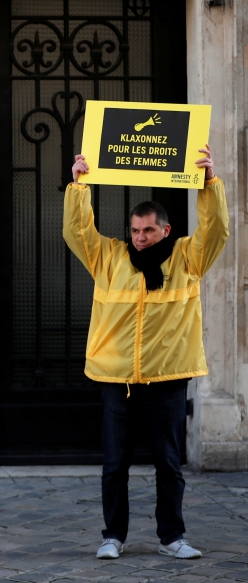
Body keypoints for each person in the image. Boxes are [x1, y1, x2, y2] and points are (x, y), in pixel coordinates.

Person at [64, 145, 228, 561]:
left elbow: (216, 231)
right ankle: (112, 537)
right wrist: (79, 185)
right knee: (114, 466)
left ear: (165, 230)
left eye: (148, 231)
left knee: (169, 466)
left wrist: (209, 184)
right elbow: (77, 231)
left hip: (168, 378)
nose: (139, 238)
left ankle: (171, 537)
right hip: (117, 379)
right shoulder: (109, 257)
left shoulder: (188, 258)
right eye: (135, 231)